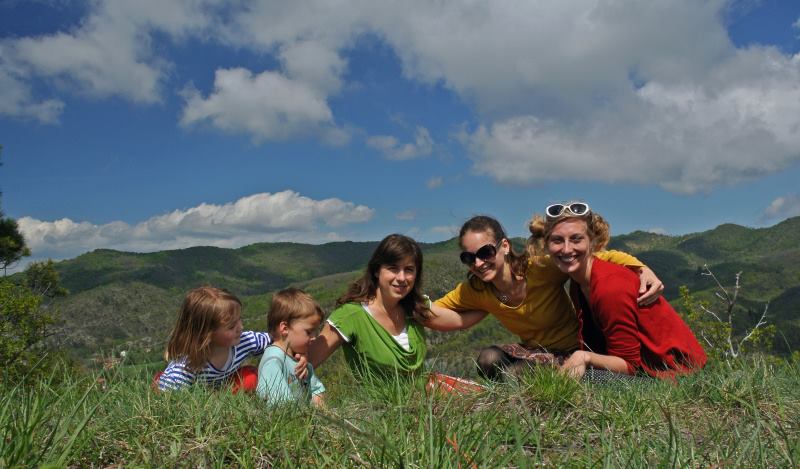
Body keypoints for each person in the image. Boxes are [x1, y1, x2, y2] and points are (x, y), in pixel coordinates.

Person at [430, 215, 665, 380]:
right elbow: (433, 310)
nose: (478, 263)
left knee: (516, 374)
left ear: (504, 246)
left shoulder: (540, 270)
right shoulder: (476, 290)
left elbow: (597, 257)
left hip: (574, 349)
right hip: (535, 352)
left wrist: (641, 268)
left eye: (485, 252)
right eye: (469, 258)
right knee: (488, 359)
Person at [528, 201, 707, 380]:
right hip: (650, 368)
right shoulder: (579, 281)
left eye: (576, 239)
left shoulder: (609, 286)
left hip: (675, 375)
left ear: (592, 242)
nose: (567, 249)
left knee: (587, 377)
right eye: (557, 240)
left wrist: (585, 357)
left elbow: (629, 364)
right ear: (547, 244)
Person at [308, 234, 430, 381]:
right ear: (377, 270)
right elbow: (302, 365)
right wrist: (316, 394)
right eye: (393, 268)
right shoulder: (351, 315)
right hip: (378, 404)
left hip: (425, 402)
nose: (402, 277)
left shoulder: (415, 308)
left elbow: (457, 319)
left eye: (409, 269)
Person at [157, 286, 305, 392]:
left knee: (250, 378)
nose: (240, 327)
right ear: (205, 333)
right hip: (194, 394)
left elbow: (280, 341)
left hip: (222, 390)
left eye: (239, 320)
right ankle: (159, 378)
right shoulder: (187, 367)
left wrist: (298, 354)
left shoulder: (245, 341)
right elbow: (167, 400)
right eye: (231, 326)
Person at [257, 288, 326, 406]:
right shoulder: (274, 361)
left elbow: (317, 390)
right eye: (309, 332)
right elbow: (281, 407)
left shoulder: (297, 359)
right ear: (285, 328)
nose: (314, 337)